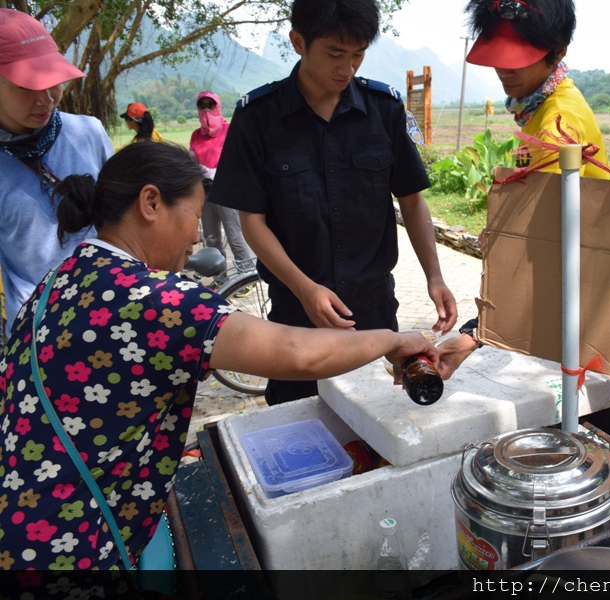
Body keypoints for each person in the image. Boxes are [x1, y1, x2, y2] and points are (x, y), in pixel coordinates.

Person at [0, 141, 439, 573]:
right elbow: (297, 353)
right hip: (69, 548)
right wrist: (392, 341)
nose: (195, 236)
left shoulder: (67, 274)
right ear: (150, 202)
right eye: (193, 214)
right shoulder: (153, 299)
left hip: (21, 518)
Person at [209, 0, 458, 405]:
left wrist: (435, 276)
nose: (347, 68)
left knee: (381, 418)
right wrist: (306, 289)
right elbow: (252, 221)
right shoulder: (257, 118)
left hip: (374, 312)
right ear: (299, 42)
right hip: (296, 317)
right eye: (335, 53)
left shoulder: (384, 110)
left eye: (358, 54)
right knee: (297, 421)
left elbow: (412, 201)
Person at [436, 0, 610, 448]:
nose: (505, 72)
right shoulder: (544, 104)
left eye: (521, 58)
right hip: (576, 307)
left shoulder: (556, 126)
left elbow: (533, 258)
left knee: (597, 450)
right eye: (499, 57)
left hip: (588, 319)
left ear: (557, 50)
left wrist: (473, 335)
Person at [0, 8, 113, 339]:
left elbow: (124, 220)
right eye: (27, 86)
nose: (47, 98)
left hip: (112, 313)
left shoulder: (88, 133)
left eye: (53, 81)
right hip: (38, 335)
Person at [189, 90, 253, 286]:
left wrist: (217, 173)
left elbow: (240, 159)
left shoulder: (229, 130)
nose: (207, 110)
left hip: (228, 192)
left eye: (211, 105)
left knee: (234, 236)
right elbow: (191, 160)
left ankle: (245, 278)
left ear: (218, 106)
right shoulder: (195, 135)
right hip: (205, 194)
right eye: (203, 106)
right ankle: (221, 279)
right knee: (211, 239)